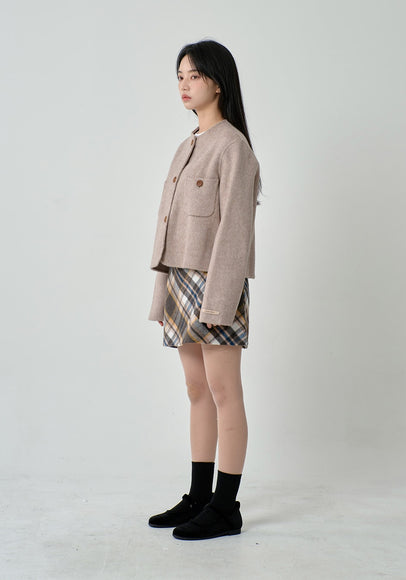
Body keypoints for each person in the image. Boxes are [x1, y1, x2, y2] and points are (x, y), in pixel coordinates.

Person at [147, 39, 261, 541]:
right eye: (179, 76)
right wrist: (162, 293)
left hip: (216, 284)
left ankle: (225, 506)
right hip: (180, 282)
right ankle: (198, 496)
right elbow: (168, 229)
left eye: (193, 75)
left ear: (218, 81)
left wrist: (219, 300)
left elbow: (235, 232)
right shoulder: (186, 145)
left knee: (223, 390)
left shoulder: (233, 147)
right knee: (196, 390)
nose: (184, 84)